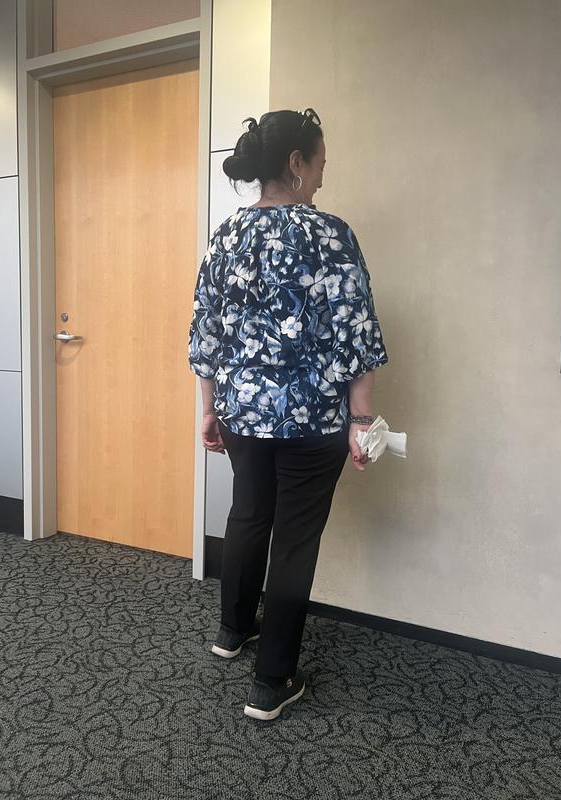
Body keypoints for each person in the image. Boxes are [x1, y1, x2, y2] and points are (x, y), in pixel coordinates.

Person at [188, 108, 388, 721]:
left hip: (242, 412)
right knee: (295, 541)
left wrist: (209, 409)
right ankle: (271, 682)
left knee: (249, 514)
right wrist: (362, 422)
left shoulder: (226, 235)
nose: (323, 176)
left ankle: (232, 631)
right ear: (297, 163)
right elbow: (357, 335)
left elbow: (207, 333)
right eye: (321, 163)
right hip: (312, 420)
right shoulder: (331, 235)